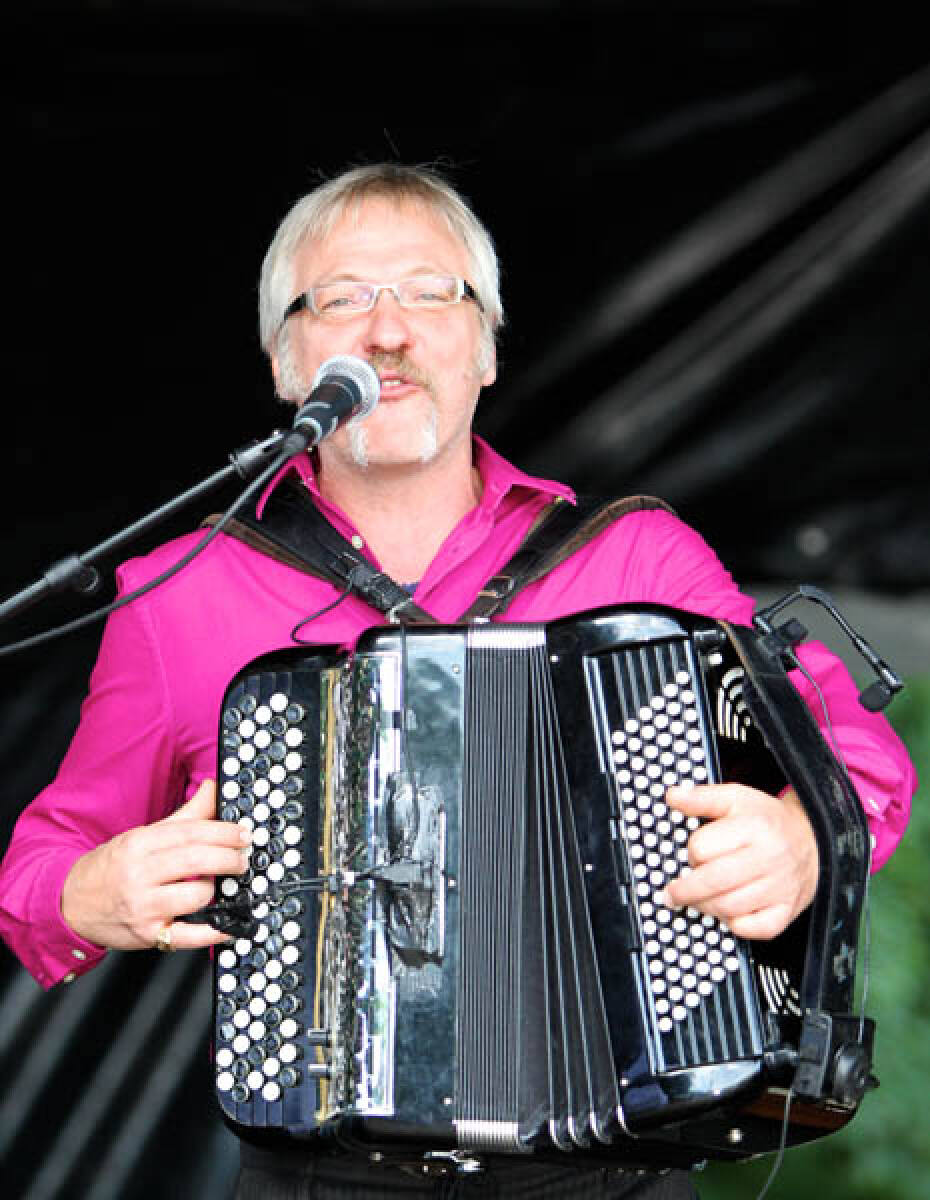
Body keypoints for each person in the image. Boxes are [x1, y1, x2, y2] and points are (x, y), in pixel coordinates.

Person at [0, 164, 916, 1199]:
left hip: (614, 1159)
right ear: (285, 362)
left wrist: (800, 836)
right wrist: (88, 892)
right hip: (328, 1178)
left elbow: (849, 743)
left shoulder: (637, 561)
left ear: (485, 346)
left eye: (432, 293)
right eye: (341, 298)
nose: (388, 331)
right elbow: (44, 861)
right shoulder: (179, 596)